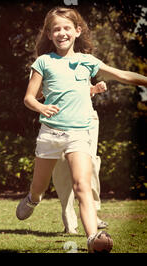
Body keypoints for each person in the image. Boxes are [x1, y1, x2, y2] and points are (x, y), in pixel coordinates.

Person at [16, 7, 147, 253]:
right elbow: (29, 98)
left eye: (67, 28)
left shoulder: (87, 61)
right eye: (56, 29)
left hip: (79, 134)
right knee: (39, 186)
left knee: (82, 186)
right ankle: (33, 199)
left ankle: (92, 237)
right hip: (50, 134)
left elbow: (122, 75)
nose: (61, 33)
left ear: (77, 31)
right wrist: (41, 108)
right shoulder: (43, 62)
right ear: (49, 34)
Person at [38, 82, 109, 234]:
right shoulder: (44, 64)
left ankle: (93, 214)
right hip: (58, 123)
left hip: (86, 120)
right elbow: (36, 94)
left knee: (90, 165)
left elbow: (84, 89)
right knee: (62, 170)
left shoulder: (83, 62)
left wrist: (94, 89)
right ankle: (70, 221)